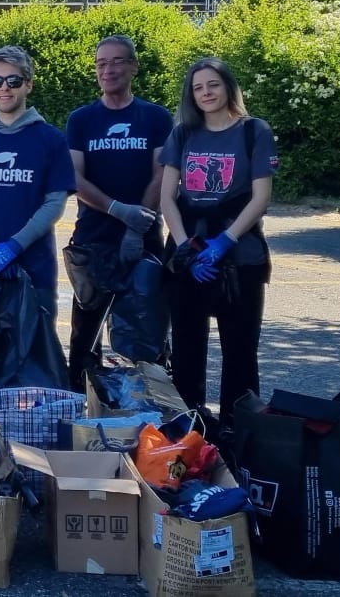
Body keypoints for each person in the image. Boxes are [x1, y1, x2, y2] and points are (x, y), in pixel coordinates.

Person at [158, 57, 276, 432]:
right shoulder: (182, 133)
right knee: (188, 350)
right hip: (189, 251)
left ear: (228, 87)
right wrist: (186, 250)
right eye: (197, 88)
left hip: (239, 255)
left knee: (240, 352)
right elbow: (167, 199)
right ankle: (189, 433)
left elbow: (260, 198)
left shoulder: (253, 131)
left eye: (213, 85)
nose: (205, 93)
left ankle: (238, 434)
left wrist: (225, 241)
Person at [0, 47, 76, 364]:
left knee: (35, 362)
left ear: (28, 84)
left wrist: (14, 246)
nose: (4, 88)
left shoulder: (50, 138)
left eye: (13, 80)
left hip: (34, 267)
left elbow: (54, 203)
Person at [64, 36, 173, 389]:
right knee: (85, 339)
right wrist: (117, 210)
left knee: (148, 335)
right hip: (93, 241)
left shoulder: (155, 117)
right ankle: (80, 408)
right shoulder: (81, 119)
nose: (108, 70)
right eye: (101, 63)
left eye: (116, 62)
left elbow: (162, 173)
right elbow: (75, 177)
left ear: (133, 66)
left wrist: (136, 226)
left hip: (144, 243)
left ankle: (154, 417)